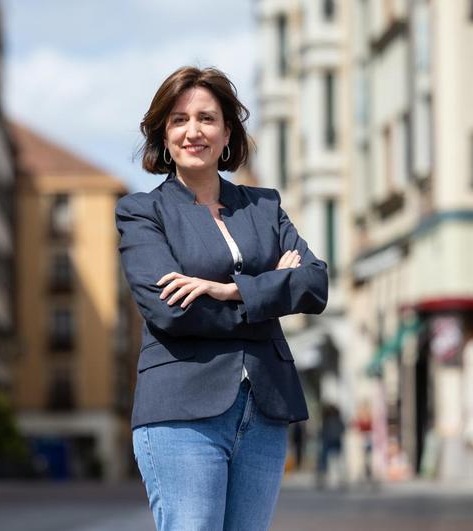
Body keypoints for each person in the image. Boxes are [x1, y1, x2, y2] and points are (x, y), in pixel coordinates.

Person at [115, 66, 328, 531]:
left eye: (207, 119)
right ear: (162, 135)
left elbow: (314, 284)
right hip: (180, 413)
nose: (194, 131)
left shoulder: (264, 206)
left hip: (266, 409)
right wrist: (270, 289)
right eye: (179, 120)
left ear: (227, 131)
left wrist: (229, 289)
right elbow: (170, 311)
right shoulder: (142, 213)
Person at [316, 403, 345, 489]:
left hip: (328, 440)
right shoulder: (336, 419)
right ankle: (338, 478)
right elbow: (342, 429)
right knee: (336, 460)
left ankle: (323, 478)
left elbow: (322, 431)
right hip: (334, 440)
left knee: (324, 460)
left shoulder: (327, 419)